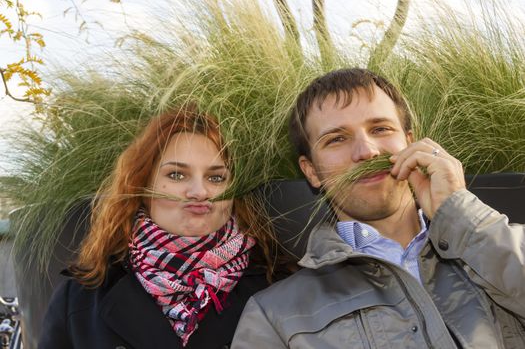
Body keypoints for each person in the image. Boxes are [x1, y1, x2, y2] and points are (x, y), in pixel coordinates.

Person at [232, 68, 525, 348]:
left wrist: (462, 216)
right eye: (337, 139)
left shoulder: (497, 243)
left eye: (381, 128)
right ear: (311, 172)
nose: (367, 151)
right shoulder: (273, 315)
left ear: (411, 142)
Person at [38, 107, 279, 349]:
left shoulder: (276, 288)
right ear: (142, 185)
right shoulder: (79, 300)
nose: (199, 192)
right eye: (176, 175)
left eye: (216, 178)